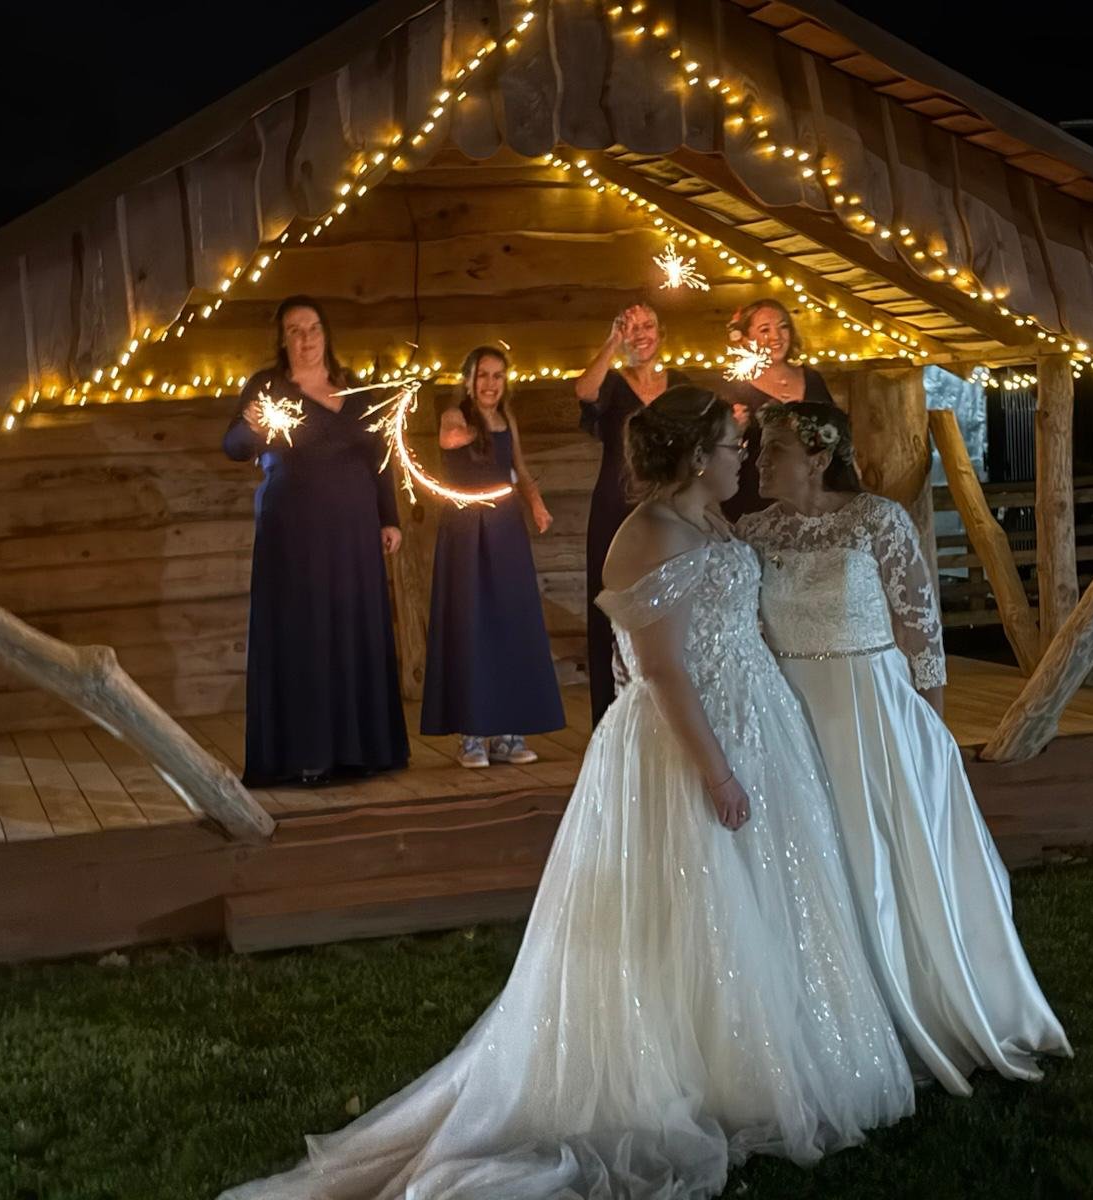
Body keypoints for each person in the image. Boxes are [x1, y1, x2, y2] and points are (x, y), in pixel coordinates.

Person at [218, 386, 913, 1200]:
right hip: (685, 747)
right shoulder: (646, 534)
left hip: (756, 725)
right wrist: (716, 772)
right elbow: (658, 671)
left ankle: (753, 1064)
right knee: (690, 906)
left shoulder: (712, 521)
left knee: (761, 900)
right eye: (731, 446)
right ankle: (683, 1071)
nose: (741, 460)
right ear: (696, 455)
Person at [739, 400, 1072, 1094]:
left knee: (882, 852)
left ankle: (914, 1001)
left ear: (819, 458)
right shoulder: (753, 531)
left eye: (772, 450)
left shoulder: (876, 522)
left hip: (869, 706)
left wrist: (929, 731)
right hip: (787, 708)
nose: (757, 462)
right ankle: (825, 1015)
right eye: (757, 450)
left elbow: (922, 630)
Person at [222, 295, 408, 786]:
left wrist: (388, 518)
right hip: (294, 535)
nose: (305, 339)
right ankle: (306, 752)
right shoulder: (268, 387)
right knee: (304, 636)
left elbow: (380, 457)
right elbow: (234, 447)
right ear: (283, 339)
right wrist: (250, 426)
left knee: (353, 629)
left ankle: (361, 748)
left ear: (326, 333)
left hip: (352, 535)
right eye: (294, 330)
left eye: (312, 328)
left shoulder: (355, 388)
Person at [420, 346, 565, 767]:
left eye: (498, 376)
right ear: (469, 379)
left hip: (504, 530)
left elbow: (516, 467)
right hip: (466, 532)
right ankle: (472, 735)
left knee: (509, 622)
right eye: (483, 375)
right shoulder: (456, 415)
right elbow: (449, 439)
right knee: (471, 624)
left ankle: (508, 732)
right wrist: (475, 431)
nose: (490, 384)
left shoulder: (507, 419)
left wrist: (535, 504)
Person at [574, 301, 689, 726]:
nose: (640, 332)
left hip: (669, 508)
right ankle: (613, 716)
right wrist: (611, 342)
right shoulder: (613, 384)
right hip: (615, 506)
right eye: (631, 326)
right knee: (612, 603)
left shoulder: (680, 384)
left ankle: (669, 708)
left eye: (648, 325)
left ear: (662, 333)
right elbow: (583, 392)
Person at [720, 298, 836, 522]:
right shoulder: (736, 388)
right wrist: (734, 431)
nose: (776, 336)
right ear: (745, 339)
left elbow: (835, 432)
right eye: (765, 330)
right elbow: (719, 453)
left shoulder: (812, 378)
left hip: (815, 501)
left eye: (783, 326)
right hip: (759, 504)